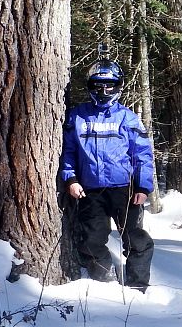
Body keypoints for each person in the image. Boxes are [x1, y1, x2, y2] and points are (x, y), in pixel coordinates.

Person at [60, 58, 155, 292]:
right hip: (90, 190)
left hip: (125, 190)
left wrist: (143, 188)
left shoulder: (127, 117)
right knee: (91, 241)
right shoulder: (77, 116)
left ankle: (138, 286)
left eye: (109, 85)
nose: (104, 91)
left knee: (136, 239)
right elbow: (68, 152)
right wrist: (70, 179)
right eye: (98, 86)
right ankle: (105, 284)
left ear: (118, 86)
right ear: (91, 86)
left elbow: (143, 154)